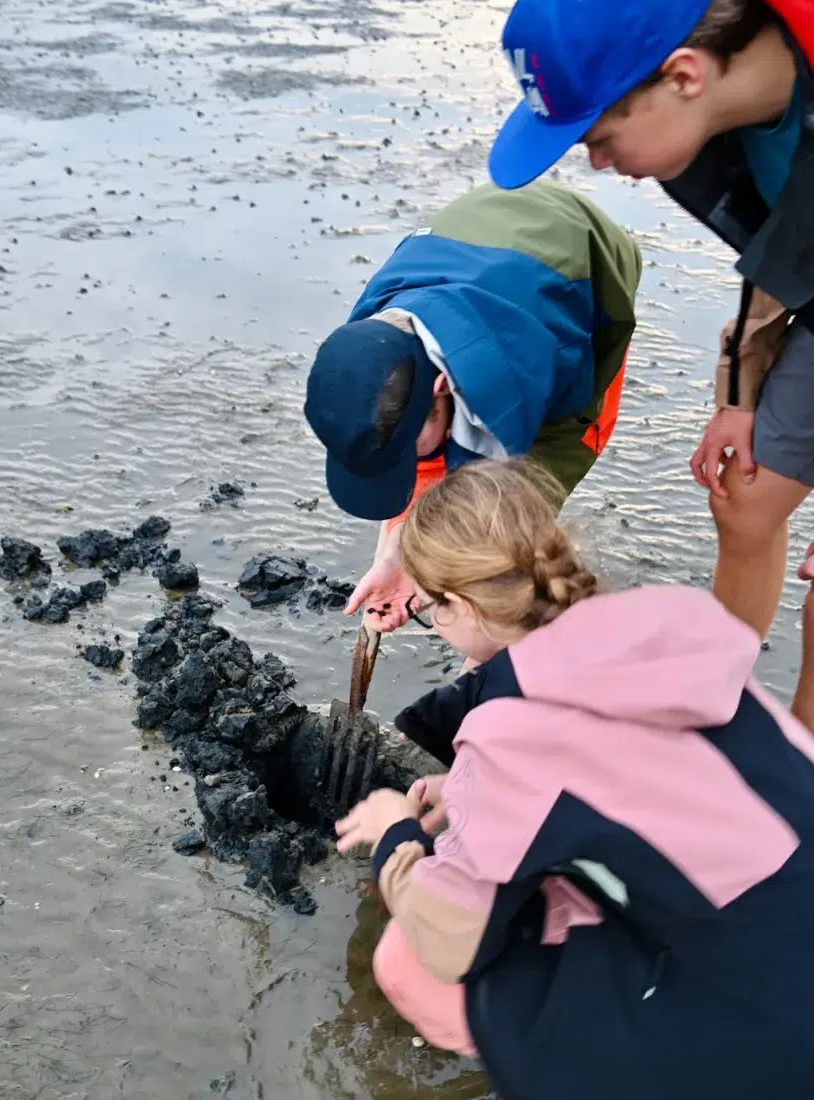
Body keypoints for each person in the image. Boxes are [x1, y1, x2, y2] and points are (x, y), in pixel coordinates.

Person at [336, 457, 814, 1100]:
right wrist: (471, 793)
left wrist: (396, 834)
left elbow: (452, 943)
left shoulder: (508, 736)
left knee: (410, 961)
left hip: (766, 1025)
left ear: (462, 606)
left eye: (428, 611)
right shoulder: (671, 620)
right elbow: (643, 769)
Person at [486, 0, 814, 642]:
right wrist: (740, 395)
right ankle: (715, 706)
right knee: (745, 497)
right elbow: (786, 242)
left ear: (684, 76)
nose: (598, 165)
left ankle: (799, 741)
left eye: (599, 140)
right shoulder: (719, 122)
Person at [304, 179, 641, 633]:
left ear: (442, 386)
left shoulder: (507, 379)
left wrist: (478, 616)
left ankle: (517, 666)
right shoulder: (368, 346)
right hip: (479, 237)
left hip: (586, 268)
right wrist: (399, 553)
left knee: (504, 535)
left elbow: (493, 510)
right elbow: (403, 439)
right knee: (422, 446)